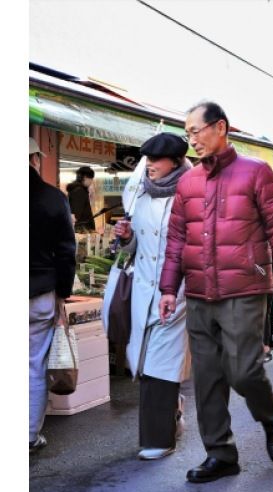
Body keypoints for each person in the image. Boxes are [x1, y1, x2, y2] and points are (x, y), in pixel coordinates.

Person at [159, 101, 273, 484]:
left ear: (220, 127)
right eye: (187, 132)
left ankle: (272, 422)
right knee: (207, 379)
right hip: (200, 293)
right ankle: (220, 455)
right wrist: (169, 287)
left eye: (195, 130)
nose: (191, 139)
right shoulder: (187, 182)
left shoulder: (255, 172)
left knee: (243, 370)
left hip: (244, 289)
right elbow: (176, 240)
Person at [112, 133, 192, 460]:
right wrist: (127, 237)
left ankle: (158, 440)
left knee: (160, 363)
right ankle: (174, 410)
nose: (149, 167)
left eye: (156, 161)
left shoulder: (192, 192)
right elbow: (136, 248)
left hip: (178, 290)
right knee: (143, 362)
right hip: (144, 286)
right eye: (147, 160)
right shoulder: (140, 194)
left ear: (174, 161)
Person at [29, 137, 77, 453]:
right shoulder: (52, 198)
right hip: (38, 293)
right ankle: (28, 436)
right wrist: (63, 292)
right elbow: (65, 252)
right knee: (32, 365)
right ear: (34, 159)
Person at [66, 166, 96, 232]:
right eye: (91, 178)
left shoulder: (76, 190)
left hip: (81, 229)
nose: (91, 181)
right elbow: (76, 215)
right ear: (85, 177)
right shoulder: (79, 191)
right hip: (82, 230)